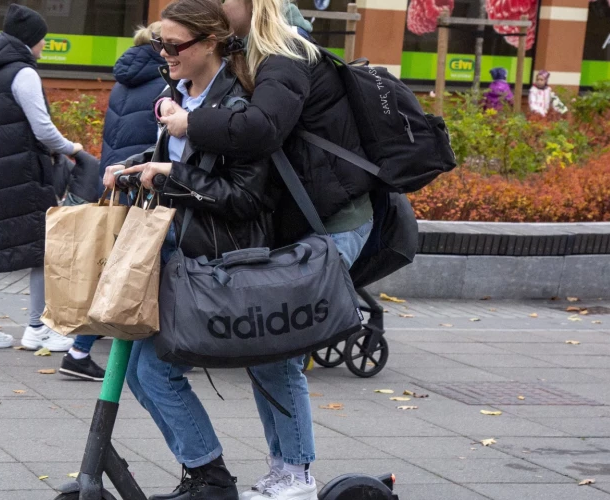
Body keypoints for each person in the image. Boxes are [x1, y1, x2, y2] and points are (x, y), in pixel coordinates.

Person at [156, 0, 377, 497]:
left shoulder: (287, 52)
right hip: (296, 222)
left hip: (331, 223)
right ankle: (286, 471)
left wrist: (187, 124)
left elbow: (259, 131)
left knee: (276, 350)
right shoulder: (250, 53)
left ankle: (295, 475)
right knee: (269, 351)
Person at [102, 0, 273, 498]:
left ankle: (211, 476)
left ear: (211, 43)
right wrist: (135, 164)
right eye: (161, 42)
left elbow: (245, 198)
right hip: (167, 252)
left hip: (204, 261)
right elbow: (173, 159)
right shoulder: (178, 92)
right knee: (137, 372)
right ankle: (203, 474)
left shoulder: (234, 108)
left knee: (155, 372)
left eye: (175, 45)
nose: (165, 53)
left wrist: (172, 177)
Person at [57, 22, 168, 382]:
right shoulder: (164, 83)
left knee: (119, 265)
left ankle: (81, 349)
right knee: (133, 268)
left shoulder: (124, 79)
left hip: (117, 178)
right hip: (144, 181)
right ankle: (81, 350)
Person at [0, 4, 77, 352]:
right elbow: (42, 128)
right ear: (30, 40)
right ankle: (37, 328)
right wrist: (71, 147)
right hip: (26, 173)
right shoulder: (24, 73)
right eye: (42, 40)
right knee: (42, 250)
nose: (44, 46)